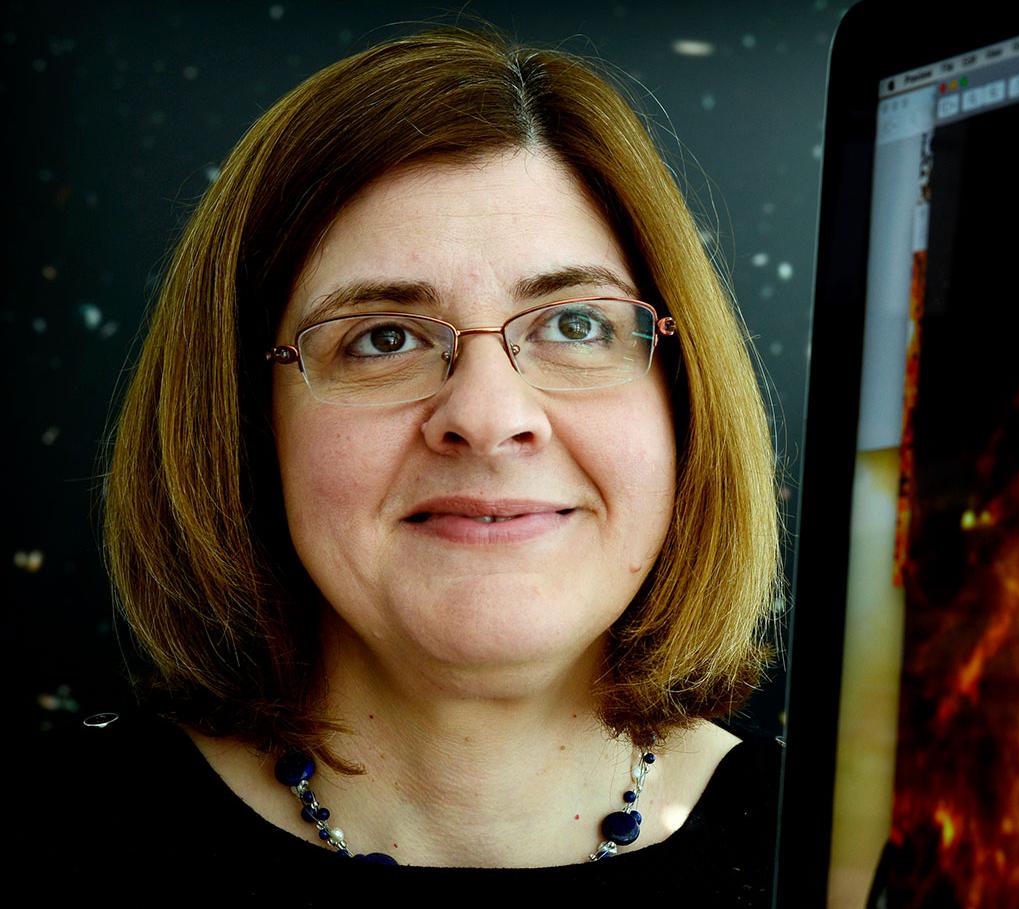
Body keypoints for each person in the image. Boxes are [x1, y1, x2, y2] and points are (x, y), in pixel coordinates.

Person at [26, 24, 783, 899]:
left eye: (577, 324)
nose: (489, 417)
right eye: (382, 339)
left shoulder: (852, 854)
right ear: (243, 417)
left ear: (683, 399)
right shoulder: (54, 835)